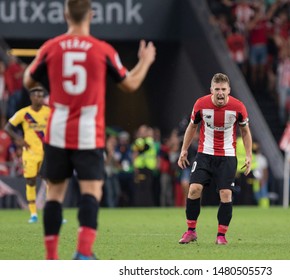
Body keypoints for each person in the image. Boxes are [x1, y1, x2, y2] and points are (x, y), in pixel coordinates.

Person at [23, 0, 156, 260]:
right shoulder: (102, 50)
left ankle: (51, 258)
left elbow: (29, 79)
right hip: (87, 132)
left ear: (65, 15)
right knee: (91, 192)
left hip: (57, 130)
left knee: (54, 195)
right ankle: (83, 253)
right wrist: (146, 61)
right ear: (91, 16)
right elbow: (130, 84)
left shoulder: (51, 47)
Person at [177, 73, 252, 245]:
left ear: (229, 91)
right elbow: (192, 127)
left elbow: (245, 132)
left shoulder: (238, 107)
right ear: (211, 90)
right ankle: (191, 231)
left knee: (225, 194)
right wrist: (184, 150)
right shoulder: (201, 104)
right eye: (217, 89)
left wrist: (248, 155)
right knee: (194, 189)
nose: (220, 93)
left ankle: (221, 235)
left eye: (223, 89)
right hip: (205, 154)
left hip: (227, 156)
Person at [4, 86, 50, 223]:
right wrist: (18, 139)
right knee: (31, 181)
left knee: (50, 182)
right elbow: (8, 127)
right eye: (36, 95)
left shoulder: (49, 112)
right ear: (31, 97)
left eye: (41, 95)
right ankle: (33, 213)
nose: (39, 98)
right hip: (29, 153)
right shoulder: (24, 113)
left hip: (46, 153)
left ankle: (51, 213)